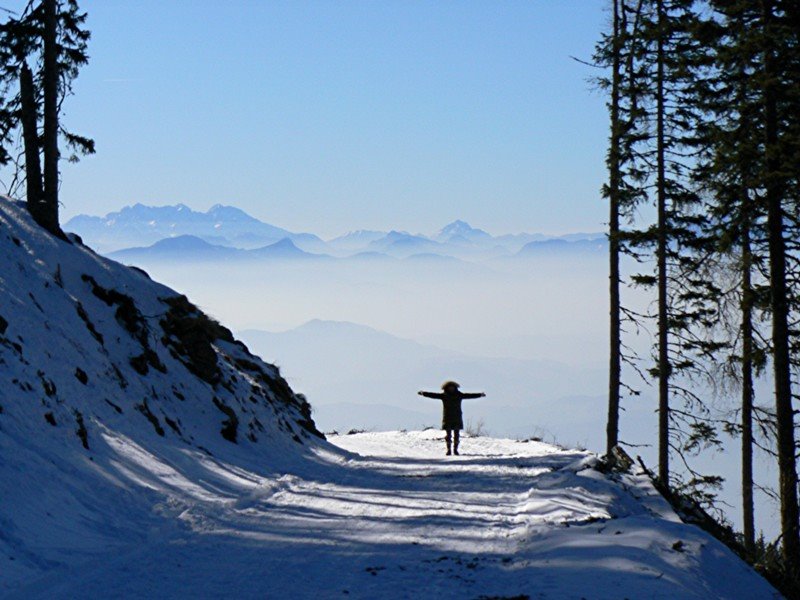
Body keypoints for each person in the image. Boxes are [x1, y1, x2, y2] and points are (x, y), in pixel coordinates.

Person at [418, 381, 486, 455]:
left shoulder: (459, 395)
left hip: (457, 417)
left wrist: (480, 395)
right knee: (448, 435)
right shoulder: (444, 395)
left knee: (456, 435)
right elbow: (433, 395)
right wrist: (423, 393)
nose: (451, 389)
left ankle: (455, 450)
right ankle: (449, 450)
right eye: (450, 387)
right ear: (446, 388)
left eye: (452, 387)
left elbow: (469, 395)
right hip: (447, 417)